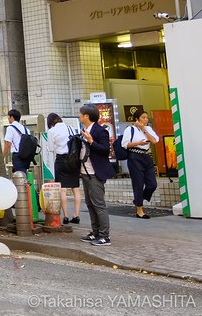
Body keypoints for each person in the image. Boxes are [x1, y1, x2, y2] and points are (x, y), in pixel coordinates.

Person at [79, 104, 116, 246]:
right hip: (85, 172)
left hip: (95, 173)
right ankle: (95, 232)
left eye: (81, 114)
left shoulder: (100, 131)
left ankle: (104, 236)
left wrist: (91, 141)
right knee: (90, 204)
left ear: (87, 116)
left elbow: (105, 150)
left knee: (98, 204)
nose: (80, 116)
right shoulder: (84, 130)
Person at [43, 113, 81, 224]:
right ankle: (76, 215)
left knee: (62, 189)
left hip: (61, 160)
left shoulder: (51, 131)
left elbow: (50, 148)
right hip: (73, 160)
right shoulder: (70, 128)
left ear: (50, 122)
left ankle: (65, 216)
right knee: (76, 188)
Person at [122, 109, 160, 219]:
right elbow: (125, 144)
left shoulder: (148, 129)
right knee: (138, 183)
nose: (146, 120)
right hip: (134, 156)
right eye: (143, 117)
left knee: (152, 184)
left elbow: (154, 141)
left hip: (146, 156)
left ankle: (138, 199)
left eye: (146, 117)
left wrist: (144, 130)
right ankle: (139, 210)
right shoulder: (130, 129)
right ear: (136, 119)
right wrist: (139, 143)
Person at [3, 109, 32, 174]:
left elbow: (8, 144)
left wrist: (3, 156)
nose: (8, 118)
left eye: (9, 117)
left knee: (19, 177)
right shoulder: (26, 129)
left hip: (17, 156)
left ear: (12, 117)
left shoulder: (10, 128)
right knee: (24, 175)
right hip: (26, 157)